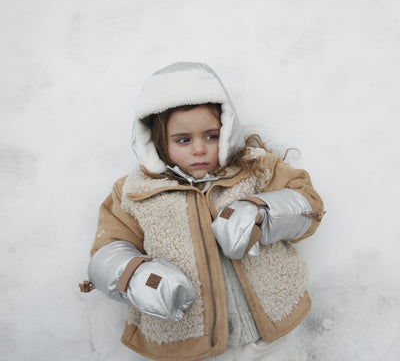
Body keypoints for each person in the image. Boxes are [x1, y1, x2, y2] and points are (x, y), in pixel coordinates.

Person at [82, 62, 325, 361]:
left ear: (227, 129)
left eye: (210, 135)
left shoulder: (256, 168)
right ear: (158, 141)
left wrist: (261, 212)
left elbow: (308, 205)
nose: (199, 149)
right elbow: (108, 248)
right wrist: (137, 276)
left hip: (269, 338)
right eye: (183, 140)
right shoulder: (134, 192)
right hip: (187, 347)